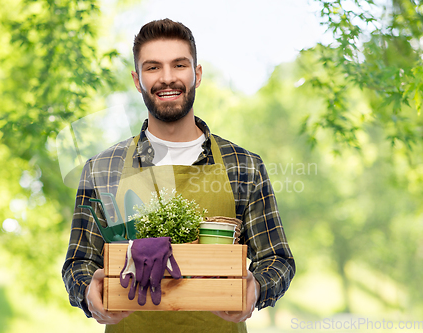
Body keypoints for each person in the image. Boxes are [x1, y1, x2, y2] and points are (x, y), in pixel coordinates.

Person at [62, 18, 295, 333]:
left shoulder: (243, 166)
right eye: (153, 67)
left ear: (197, 75)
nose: (167, 78)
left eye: (179, 65)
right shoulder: (103, 169)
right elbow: (78, 264)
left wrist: (255, 290)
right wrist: (89, 291)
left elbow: (277, 259)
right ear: (137, 79)